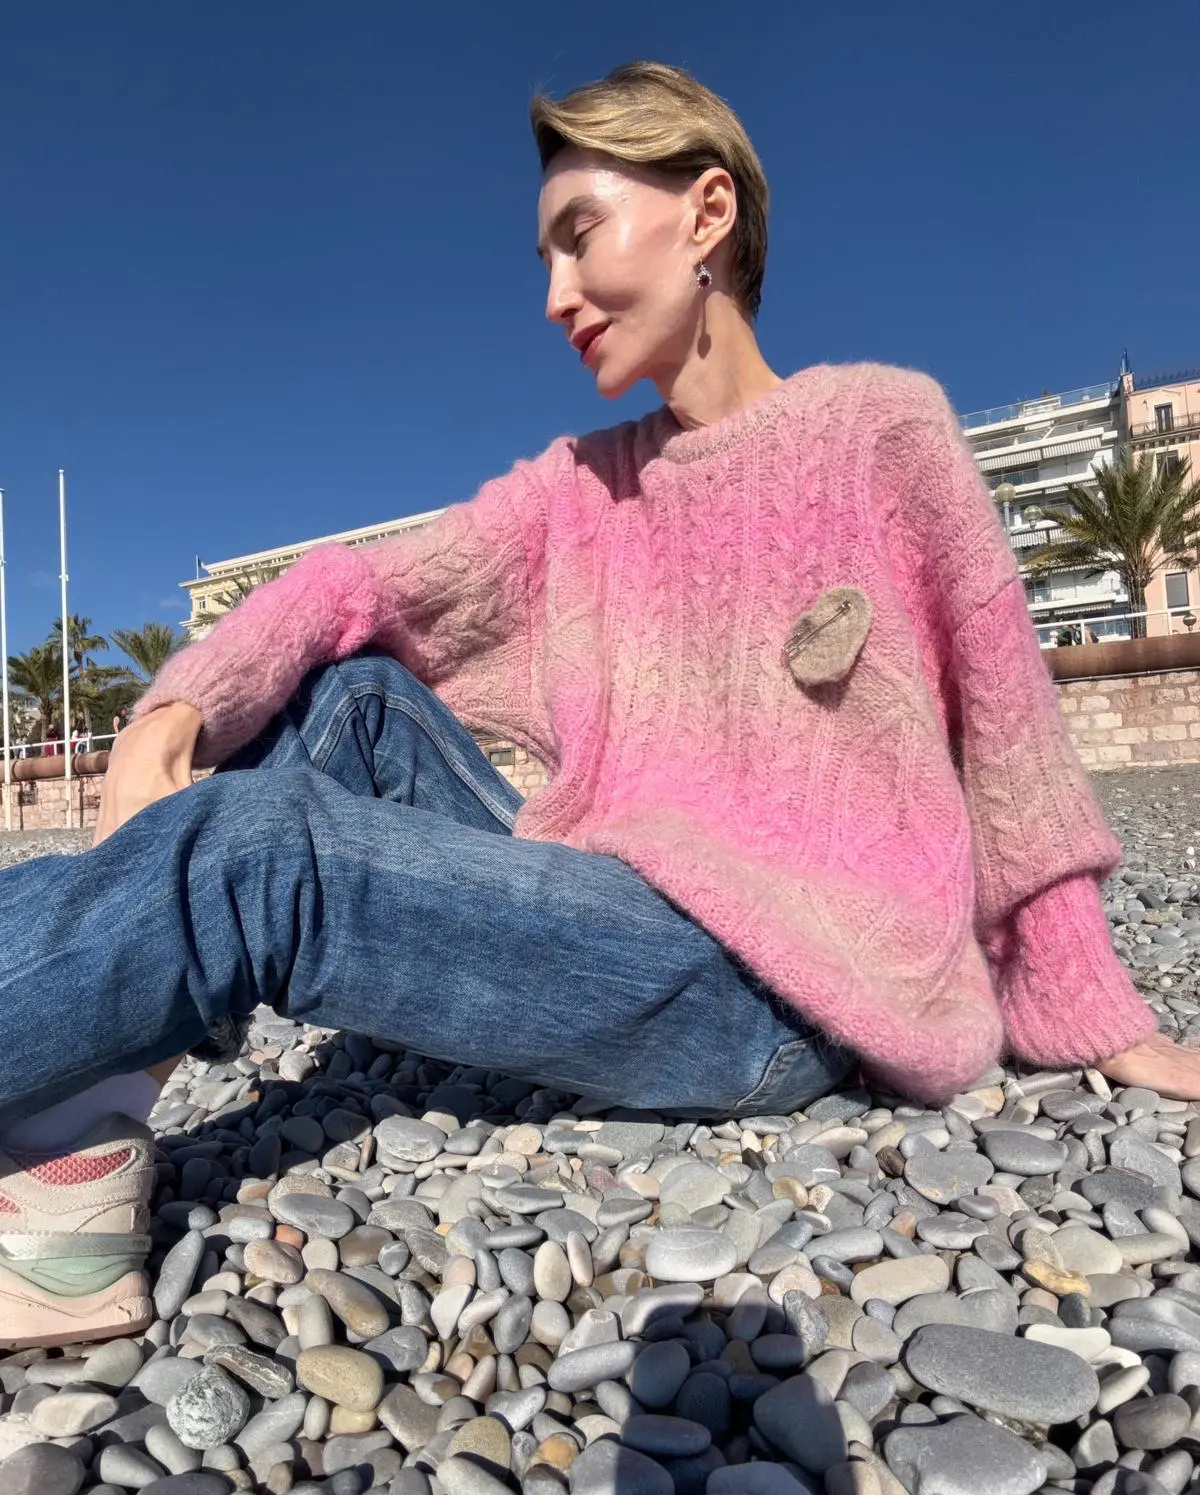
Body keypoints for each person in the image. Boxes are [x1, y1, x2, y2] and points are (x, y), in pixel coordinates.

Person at [0, 61, 1191, 1351]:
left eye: (581, 236)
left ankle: (62, 1108)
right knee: (354, 702)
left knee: (263, 856)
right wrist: (173, 709)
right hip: (619, 900)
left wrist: (1091, 1010)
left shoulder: (884, 433)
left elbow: (1011, 732)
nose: (554, 295)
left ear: (708, 212)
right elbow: (359, 585)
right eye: (546, 257)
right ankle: (78, 1143)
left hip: (781, 987)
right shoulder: (580, 491)